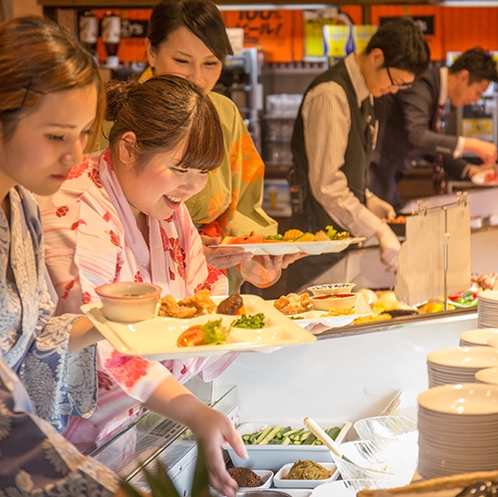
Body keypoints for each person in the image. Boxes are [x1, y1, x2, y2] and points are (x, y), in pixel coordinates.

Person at [37, 75, 246, 497]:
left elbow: (199, 298)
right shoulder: (74, 207)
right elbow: (97, 337)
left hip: (130, 432)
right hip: (57, 445)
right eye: (180, 169)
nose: (191, 187)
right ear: (128, 148)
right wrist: (191, 410)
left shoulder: (168, 206)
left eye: (203, 173)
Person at [0, 14, 132, 496]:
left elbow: (31, 334)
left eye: (82, 134)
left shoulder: (22, 206)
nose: (75, 156)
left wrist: (111, 321)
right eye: (56, 136)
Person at [141, 0, 305, 292]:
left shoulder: (225, 114)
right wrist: (185, 245)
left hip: (213, 283)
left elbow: (244, 209)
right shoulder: (123, 113)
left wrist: (260, 252)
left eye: (211, 63)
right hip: (140, 279)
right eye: (181, 61)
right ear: (151, 51)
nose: (197, 77)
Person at [286, 18, 431, 293]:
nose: (394, 90)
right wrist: (378, 229)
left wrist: (370, 201)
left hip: (339, 245)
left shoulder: (365, 94)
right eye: (395, 82)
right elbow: (327, 185)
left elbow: (347, 172)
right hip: (318, 250)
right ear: (377, 56)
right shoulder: (332, 95)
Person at [369, 47, 498, 211]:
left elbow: (432, 148)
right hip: (375, 176)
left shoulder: (438, 93)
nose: (475, 100)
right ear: (463, 77)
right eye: (478, 92)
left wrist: (470, 170)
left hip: (389, 179)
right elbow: (418, 136)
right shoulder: (423, 85)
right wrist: (473, 145)